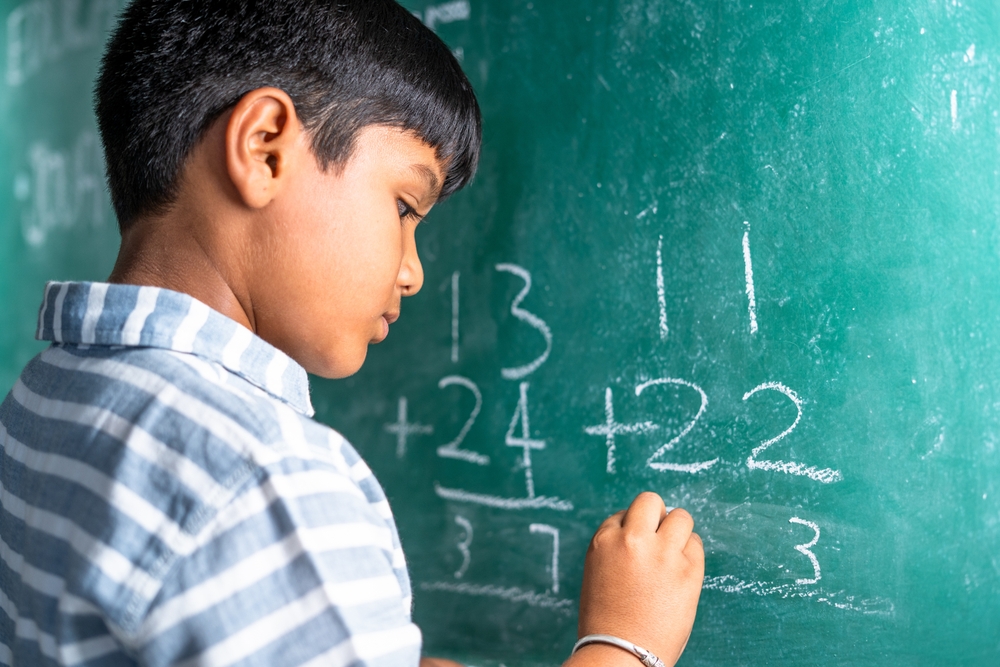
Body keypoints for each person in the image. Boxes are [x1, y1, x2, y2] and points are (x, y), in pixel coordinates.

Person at [0, 1, 704, 665]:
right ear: (265, 148)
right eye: (404, 206)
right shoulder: (265, 479)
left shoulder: (44, 398)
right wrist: (622, 643)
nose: (414, 272)